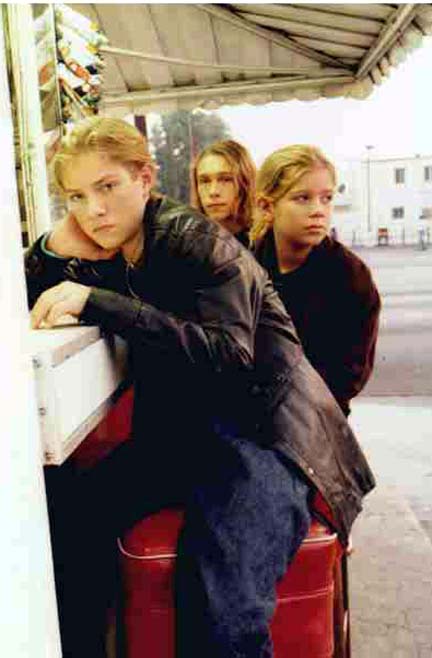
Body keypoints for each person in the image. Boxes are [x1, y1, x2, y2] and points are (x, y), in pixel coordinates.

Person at [25, 119, 375, 658]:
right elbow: (22, 294)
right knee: (63, 524)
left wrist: (100, 302)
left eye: (108, 186)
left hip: (266, 436)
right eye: (76, 196)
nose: (93, 209)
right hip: (188, 436)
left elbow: (230, 357)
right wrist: (50, 248)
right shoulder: (117, 245)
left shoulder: (198, 241)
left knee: (224, 607)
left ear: (145, 179)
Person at [251, 145, 381, 417]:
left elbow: (349, 375)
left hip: (318, 421)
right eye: (303, 198)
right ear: (266, 206)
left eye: (326, 198)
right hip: (248, 416)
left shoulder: (350, 277)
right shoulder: (247, 266)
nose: (318, 210)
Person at [190, 139, 255, 246]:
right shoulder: (189, 244)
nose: (213, 191)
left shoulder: (267, 242)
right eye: (205, 181)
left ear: (245, 182)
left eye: (226, 179)